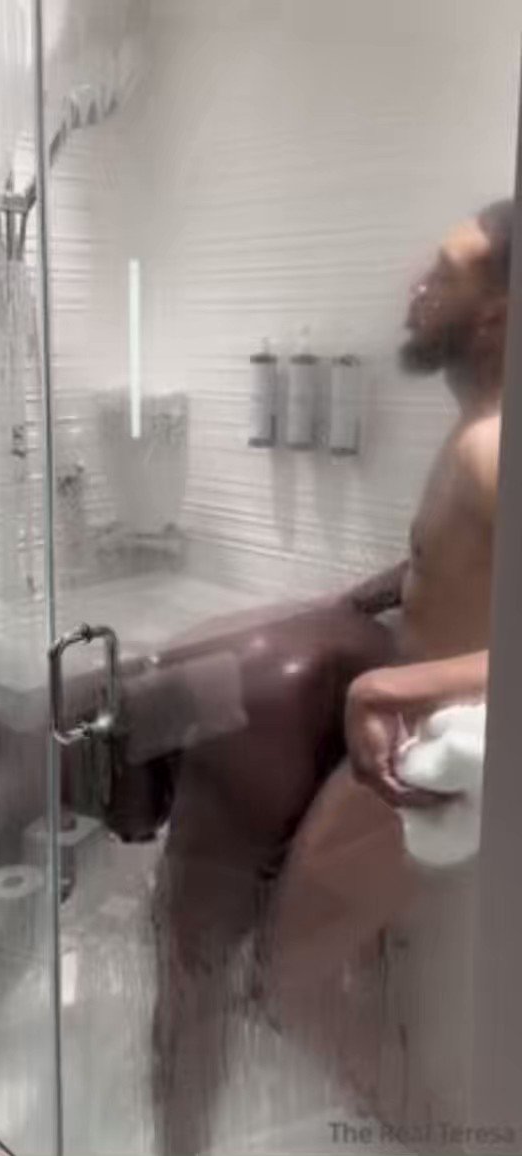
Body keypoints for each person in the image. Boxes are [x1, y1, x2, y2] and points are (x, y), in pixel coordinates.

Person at [152, 199, 512, 1156]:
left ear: (497, 314)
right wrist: (363, 598)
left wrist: (378, 689)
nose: (416, 285)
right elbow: (456, 567)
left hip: (434, 750)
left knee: (293, 979)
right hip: (420, 741)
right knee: (321, 977)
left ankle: (438, 1140)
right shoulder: (477, 430)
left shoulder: (492, 450)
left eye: (445, 272)